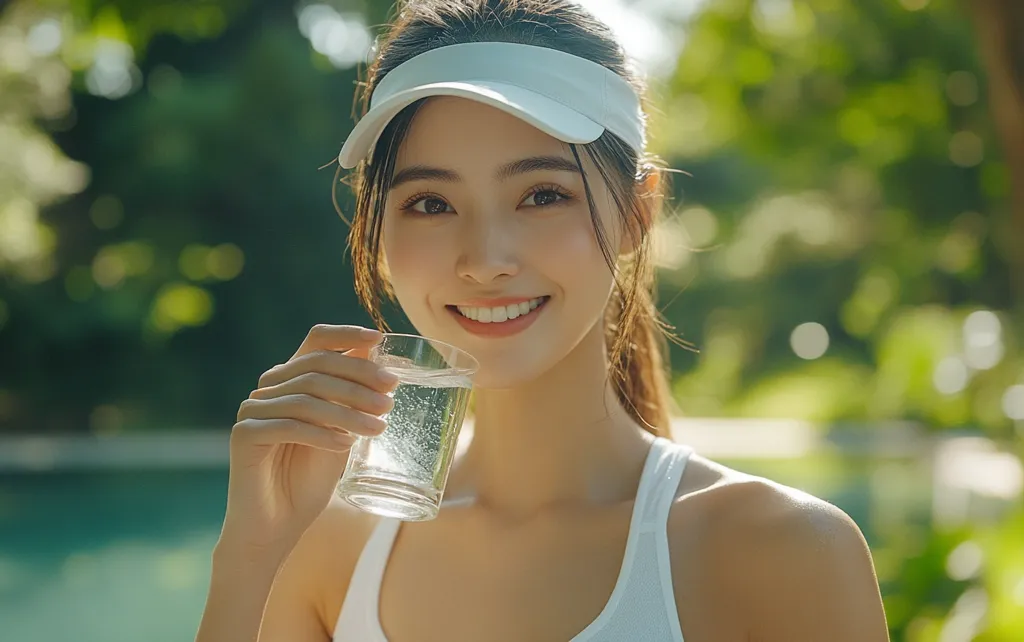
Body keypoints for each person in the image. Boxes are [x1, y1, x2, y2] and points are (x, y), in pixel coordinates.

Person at [195, 0, 891, 640]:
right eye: (431, 204)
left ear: (638, 211)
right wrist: (249, 554)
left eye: (542, 194)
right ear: (377, 234)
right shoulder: (322, 547)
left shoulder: (780, 551)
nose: (485, 259)